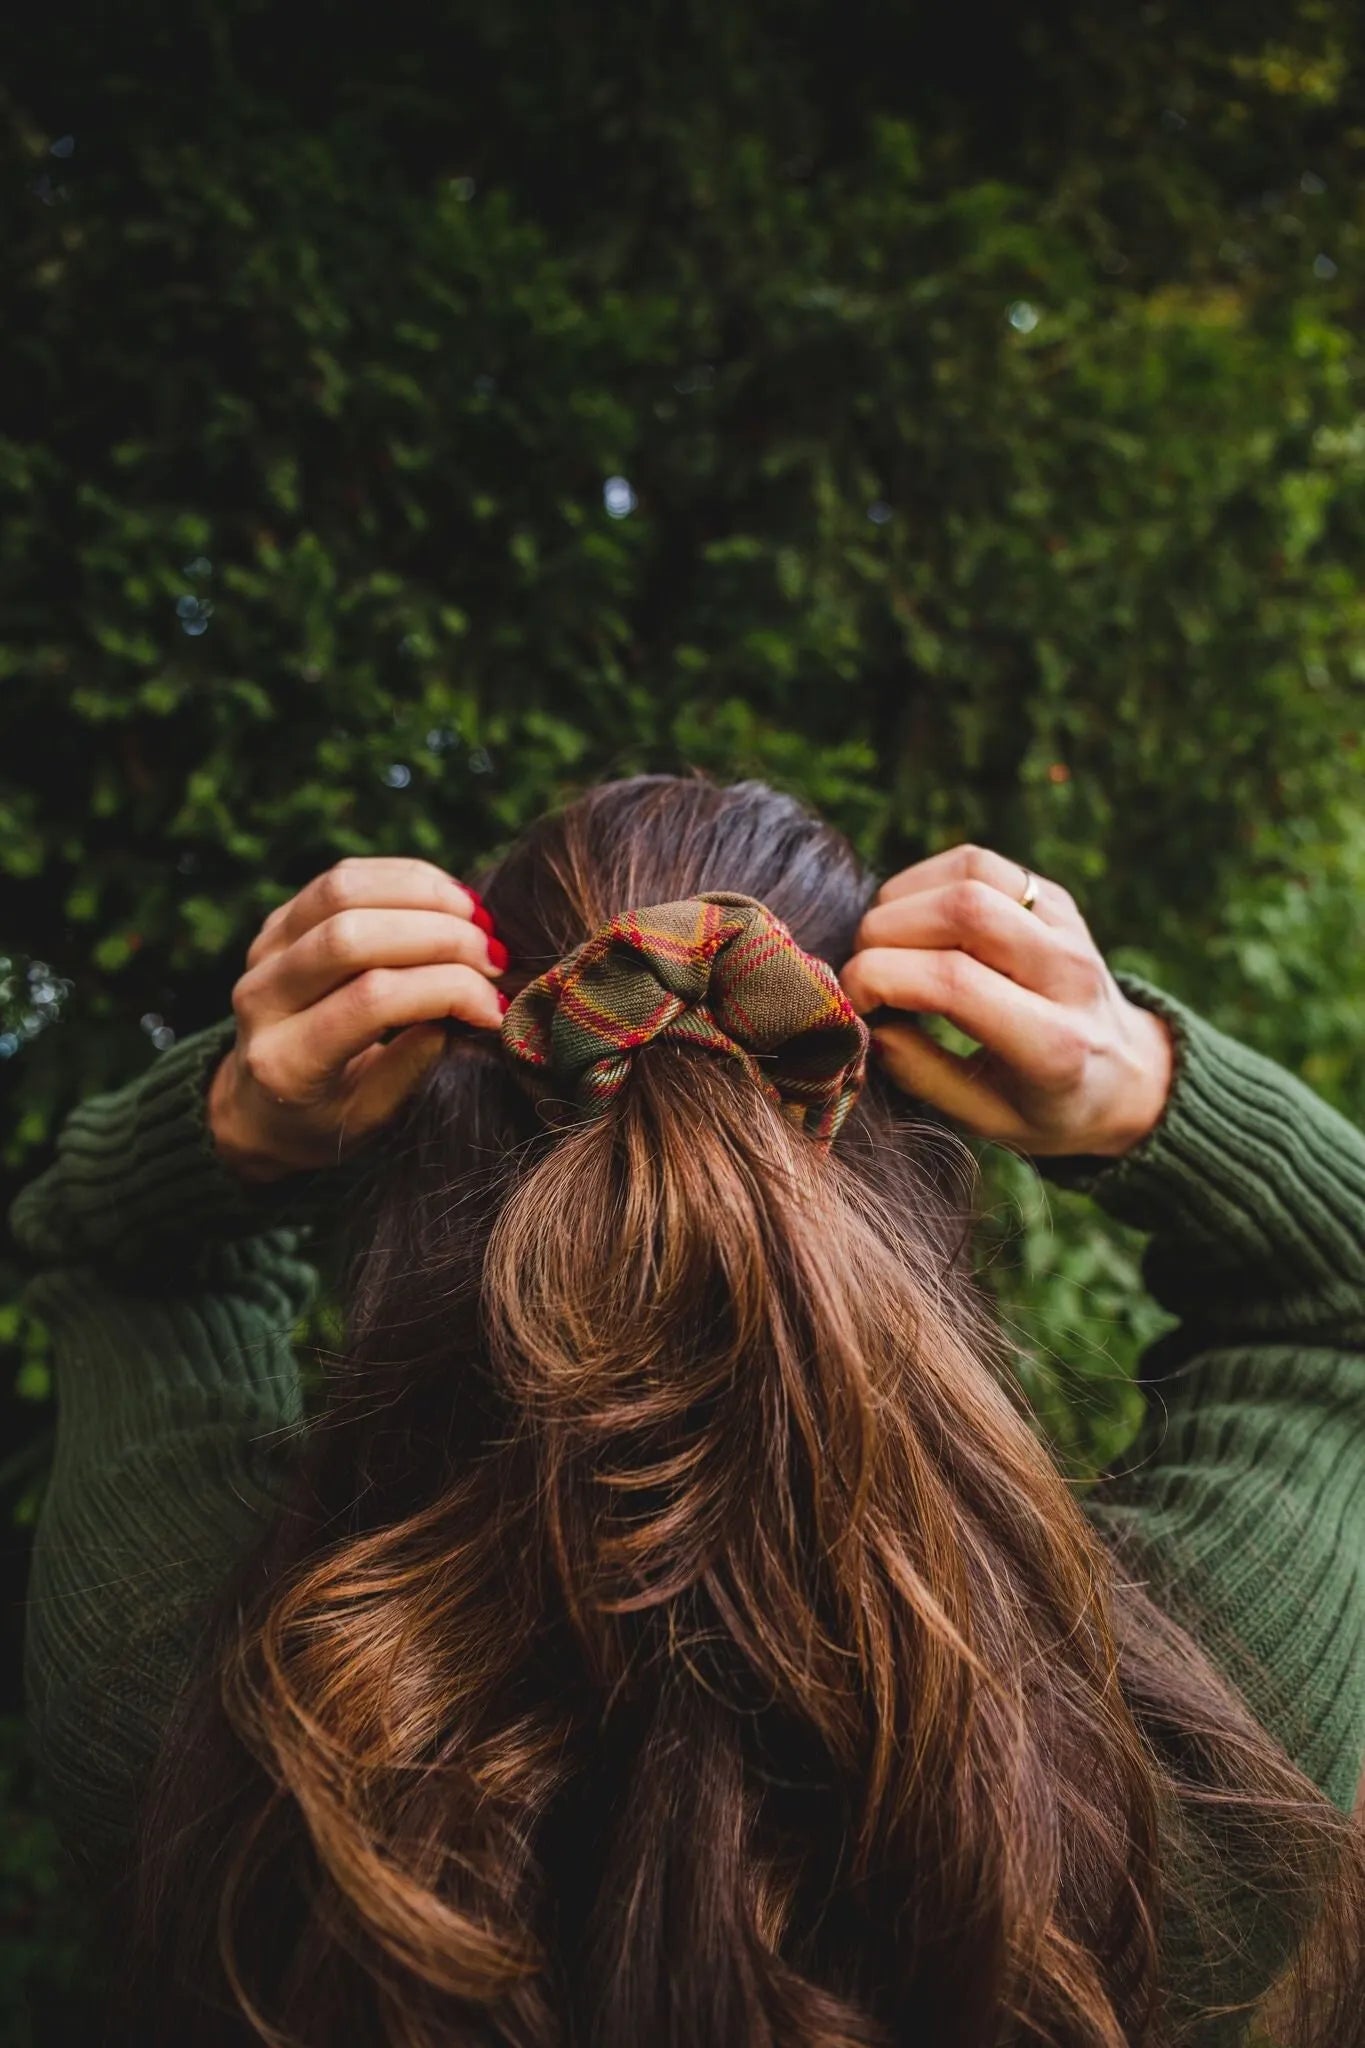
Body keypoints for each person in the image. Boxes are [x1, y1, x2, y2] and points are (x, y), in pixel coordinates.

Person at [10, 770, 1365, 2048]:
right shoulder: (1177, 1770)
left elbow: (109, 1256)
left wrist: (239, 1119)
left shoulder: (212, 1723)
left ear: (422, 1146)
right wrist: (1141, 1090)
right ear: (917, 1153)